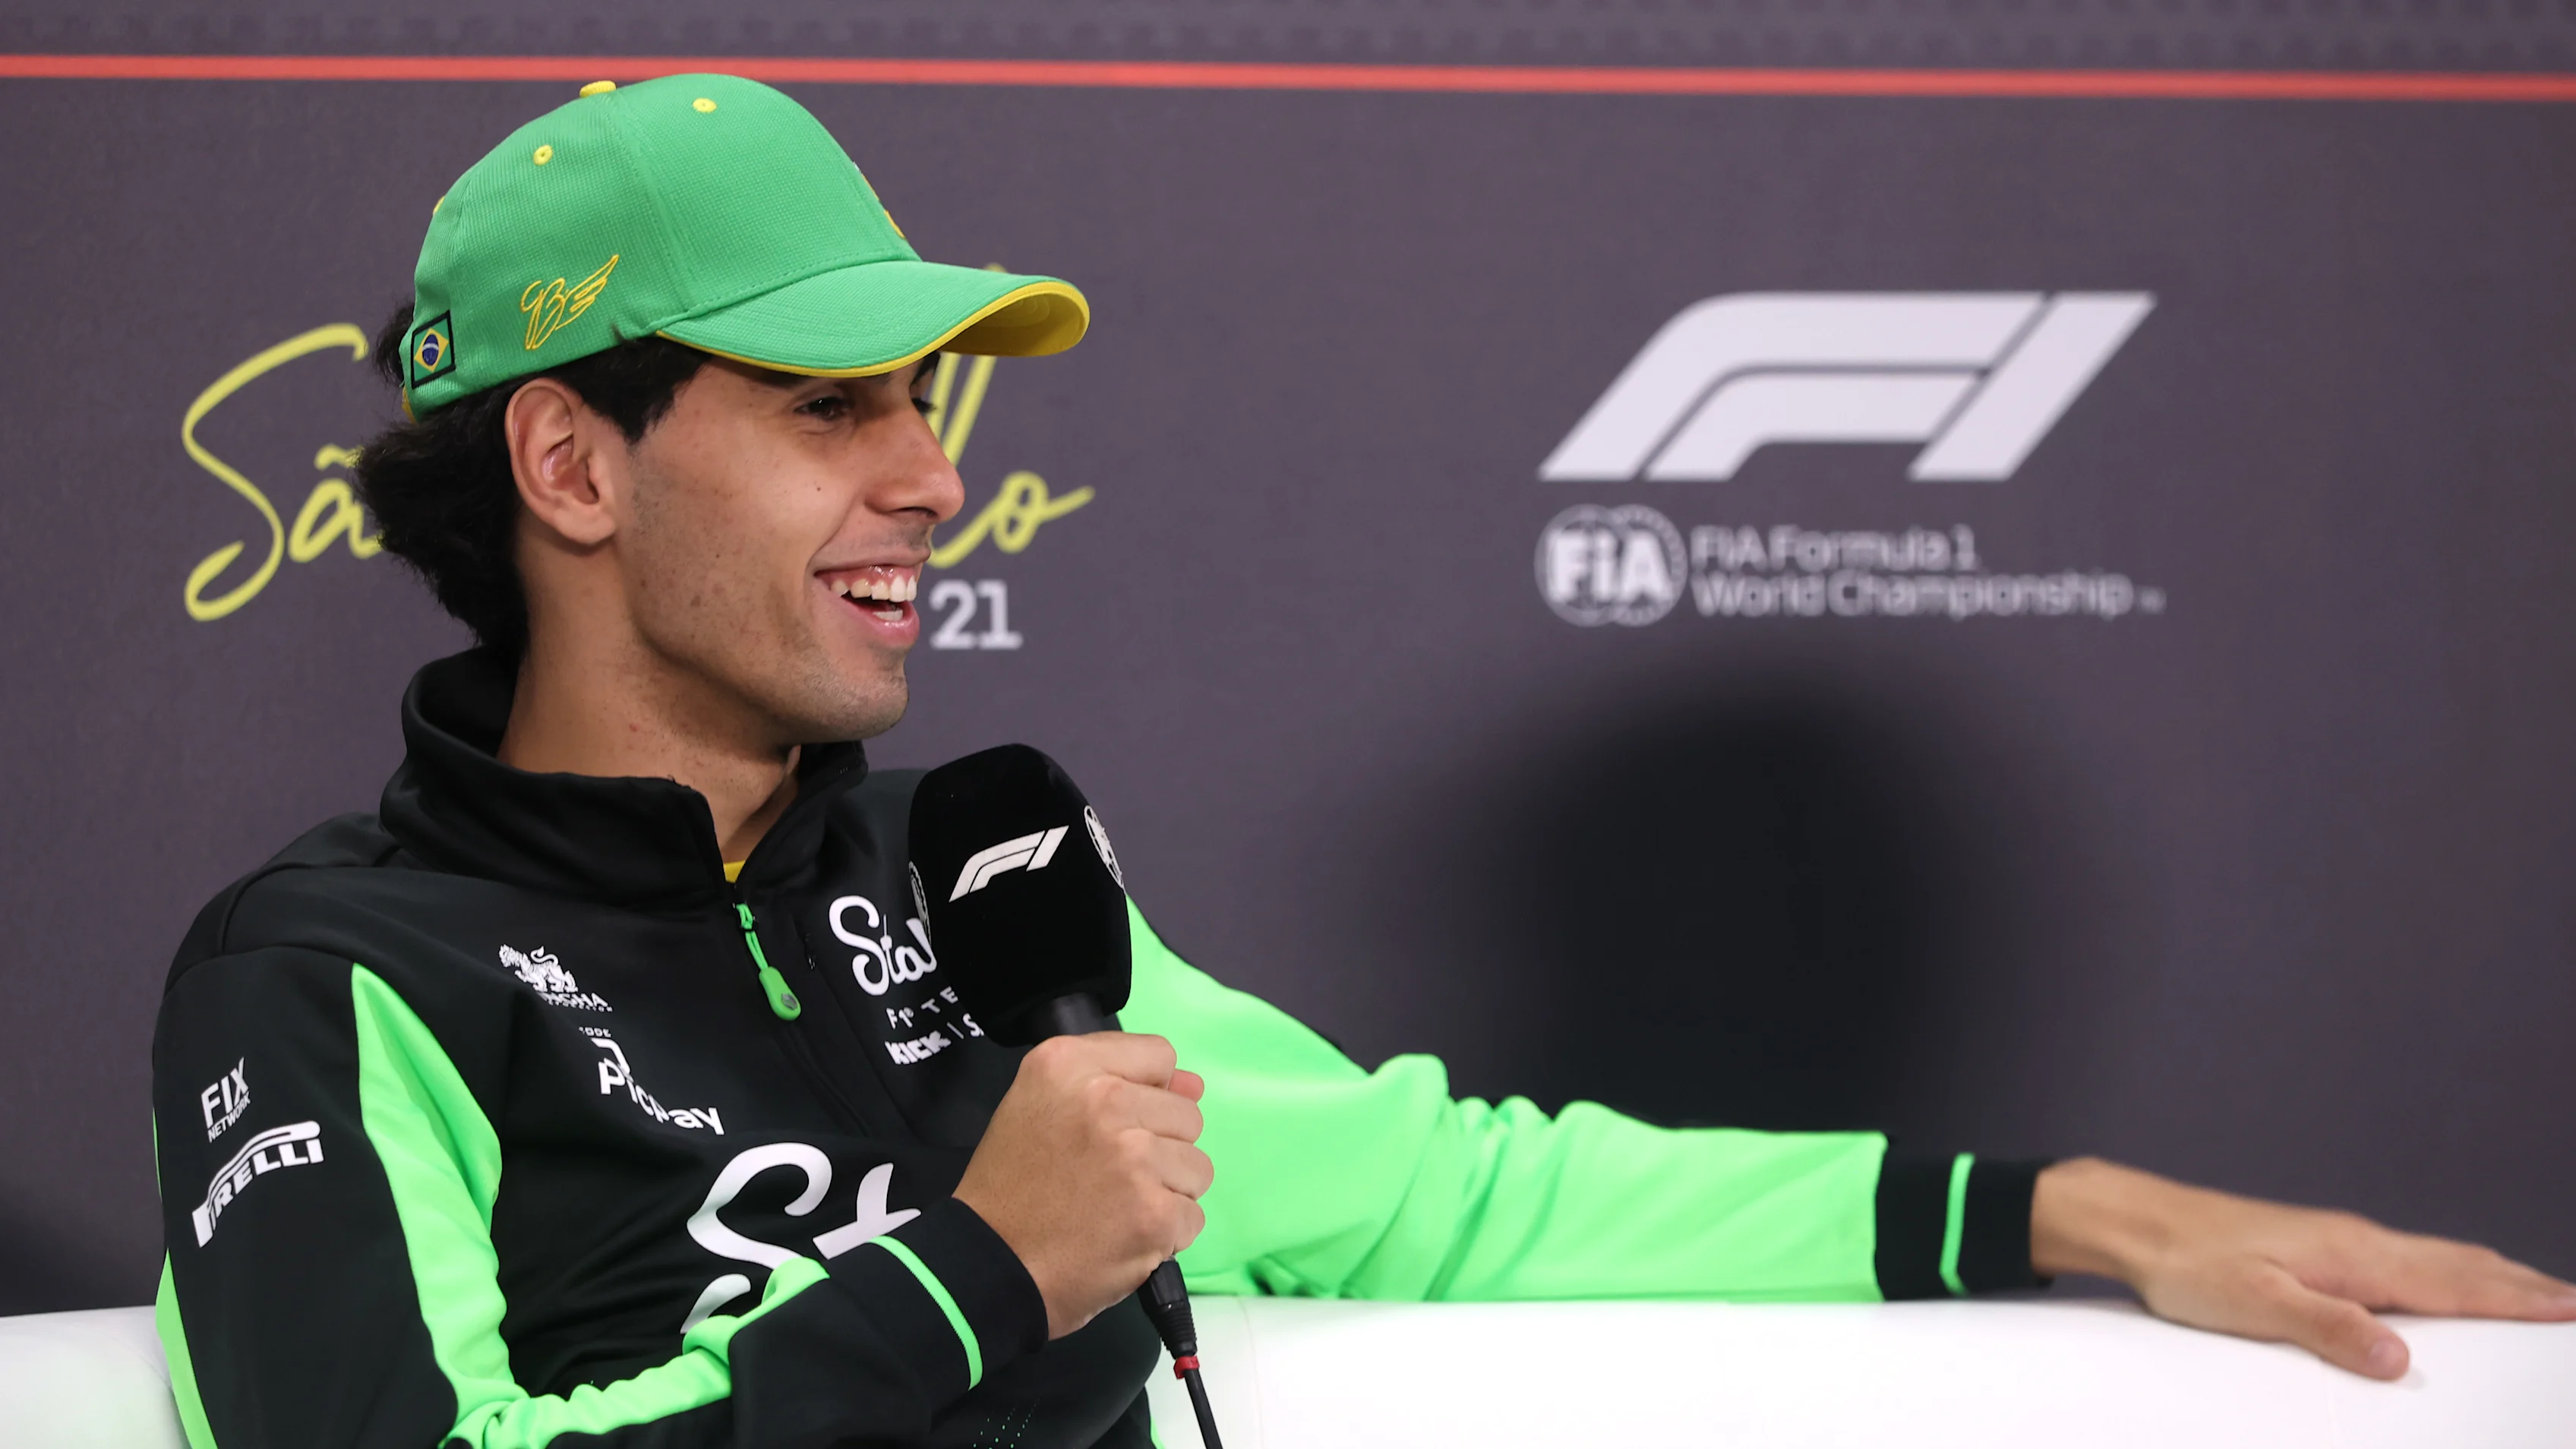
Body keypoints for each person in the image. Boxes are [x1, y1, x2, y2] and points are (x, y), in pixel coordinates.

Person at [149, 74, 2574, 1449]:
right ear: (572, 468)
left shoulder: (962, 881)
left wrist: (2078, 1213)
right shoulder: (333, 973)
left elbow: (1457, 1200)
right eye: (824, 409)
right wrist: (986, 1271)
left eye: (924, 401)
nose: (925, 474)